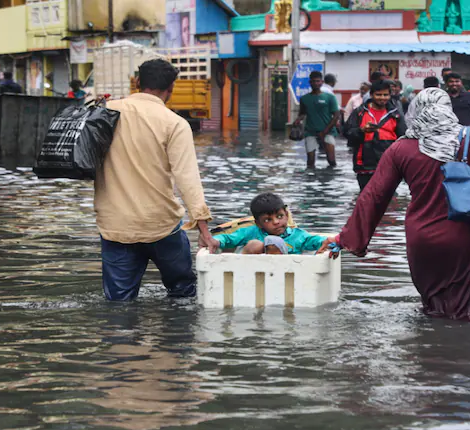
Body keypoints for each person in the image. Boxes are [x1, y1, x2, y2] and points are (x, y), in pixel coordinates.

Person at [319, 88, 470, 321]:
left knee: (435, 308)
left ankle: (432, 342)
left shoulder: (400, 148)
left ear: (415, 111)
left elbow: (374, 197)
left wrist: (345, 239)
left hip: (424, 239)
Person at [95, 59, 215, 301]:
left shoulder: (105, 112)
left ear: (137, 82)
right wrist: (204, 230)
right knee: (184, 295)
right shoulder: (174, 124)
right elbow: (188, 180)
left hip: (116, 226)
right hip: (161, 225)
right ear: (171, 88)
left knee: (118, 304)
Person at [210, 193, 327, 255]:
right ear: (258, 223)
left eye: (280, 216)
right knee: (255, 244)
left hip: (286, 277)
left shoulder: (298, 236)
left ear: (287, 215)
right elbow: (228, 238)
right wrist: (216, 241)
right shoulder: (250, 232)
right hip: (251, 276)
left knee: (273, 242)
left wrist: (330, 241)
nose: (276, 222)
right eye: (267, 220)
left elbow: (316, 241)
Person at [344, 80, 407, 190]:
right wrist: (362, 130)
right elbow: (347, 133)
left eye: (385, 95)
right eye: (378, 95)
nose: (382, 98)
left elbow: (403, 139)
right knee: (366, 196)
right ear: (371, 95)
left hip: (389, 164)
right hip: (364, 165)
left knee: (387, 196)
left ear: (390, 95)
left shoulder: (396, 114)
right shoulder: (359, 112)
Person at [294, 71, 342, 168]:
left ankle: (330, 176)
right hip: (310, 132)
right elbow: (302, 113)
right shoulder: (304, 99)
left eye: (318, 81)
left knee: (331, 161)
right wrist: (298, 120)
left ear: (322, 82)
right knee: (310, 162)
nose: (316, 83)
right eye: (313, 81)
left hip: (328, 132)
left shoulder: (330, 97)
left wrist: (325, 131)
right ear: (310, 82)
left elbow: (336, 115)